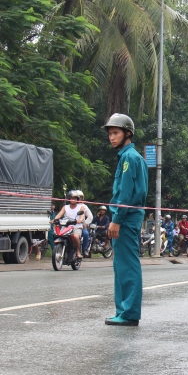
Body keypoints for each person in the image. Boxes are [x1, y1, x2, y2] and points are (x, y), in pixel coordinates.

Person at [104, 113, 148, 327]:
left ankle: (129, 313)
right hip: (126, 217)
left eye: (116, 133)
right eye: (110, 133)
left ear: (127, 134)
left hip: (127, 218)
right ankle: (123, 310)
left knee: (128, 266)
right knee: (120, 265)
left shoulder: (130, 158)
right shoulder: (127, 157)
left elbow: (126, 193)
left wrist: (117, 219)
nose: (112, 137)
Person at [53, 190, 86, 259]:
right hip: (66, 226)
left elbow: (82, 215)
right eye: (72, 198)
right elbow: (59, 215)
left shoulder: (81, 206)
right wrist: (54, 220)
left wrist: (80, 220)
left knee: (76, 236)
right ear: (69, 199)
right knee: (57, 234)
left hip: (76, 226)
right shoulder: (65, 207)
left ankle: (78, 251)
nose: (73, 200)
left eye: (75, 198)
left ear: (77, 199)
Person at [76, 190, 94, 257]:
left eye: (80, 197)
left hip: (80, 225)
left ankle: (84, 249)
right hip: (69, 226)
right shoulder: (68, 206)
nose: (78, 199)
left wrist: (85, 224)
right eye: (76, 197)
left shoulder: (84, 206)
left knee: (86, 233)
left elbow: (90, 216)